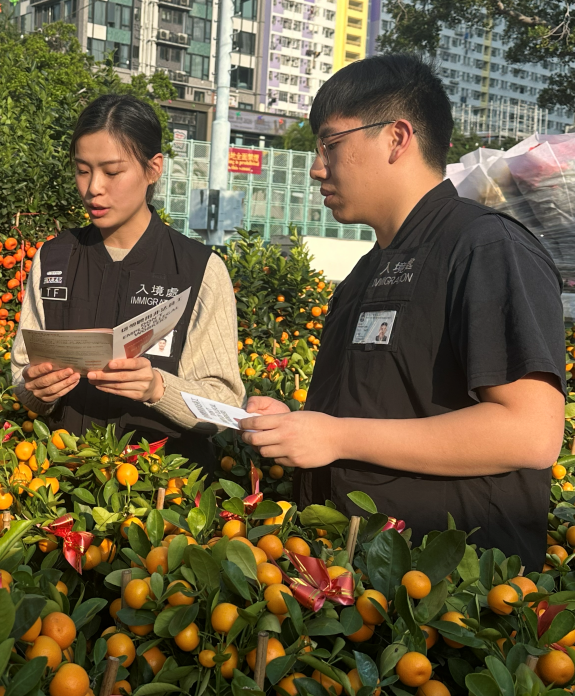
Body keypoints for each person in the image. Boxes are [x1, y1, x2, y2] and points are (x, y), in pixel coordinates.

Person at [238, 55, 564, 569]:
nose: (316, 166)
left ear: (396, 137)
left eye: (331, 145)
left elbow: (530, 432)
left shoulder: (485, 246)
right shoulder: (366, 272)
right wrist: (300, 426)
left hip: (449, 600)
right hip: (351, 586)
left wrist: (335, 435)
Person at [11, 94, 245, 472]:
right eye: (82, 170)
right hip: (64, 491)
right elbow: (25, 374)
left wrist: (157, 388)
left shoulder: (198, 269)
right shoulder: (54, 258)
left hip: (164, 503)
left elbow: (224, 408)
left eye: (112, 171)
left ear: (153, 169)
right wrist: (36, 390)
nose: (93, 188)